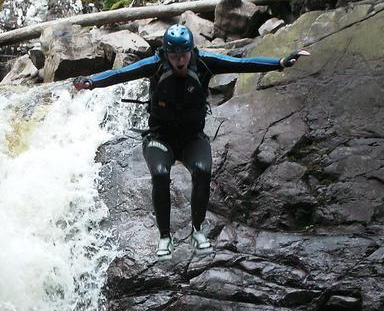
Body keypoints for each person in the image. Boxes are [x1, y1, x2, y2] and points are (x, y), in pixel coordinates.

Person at [73, 25, 309, 260]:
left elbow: (241, 64)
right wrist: (92, 81)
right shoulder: (154, 65)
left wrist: (279, 63)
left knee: (203, 170)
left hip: (192, 139)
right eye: (174, 56)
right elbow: (121, 74)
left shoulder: (205, 62)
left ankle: (197, 230)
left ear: (191, 51)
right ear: (166, 53)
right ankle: (165, 236)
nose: (179, 61)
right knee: (160, 173)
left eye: (183, 55)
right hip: (159, 138)